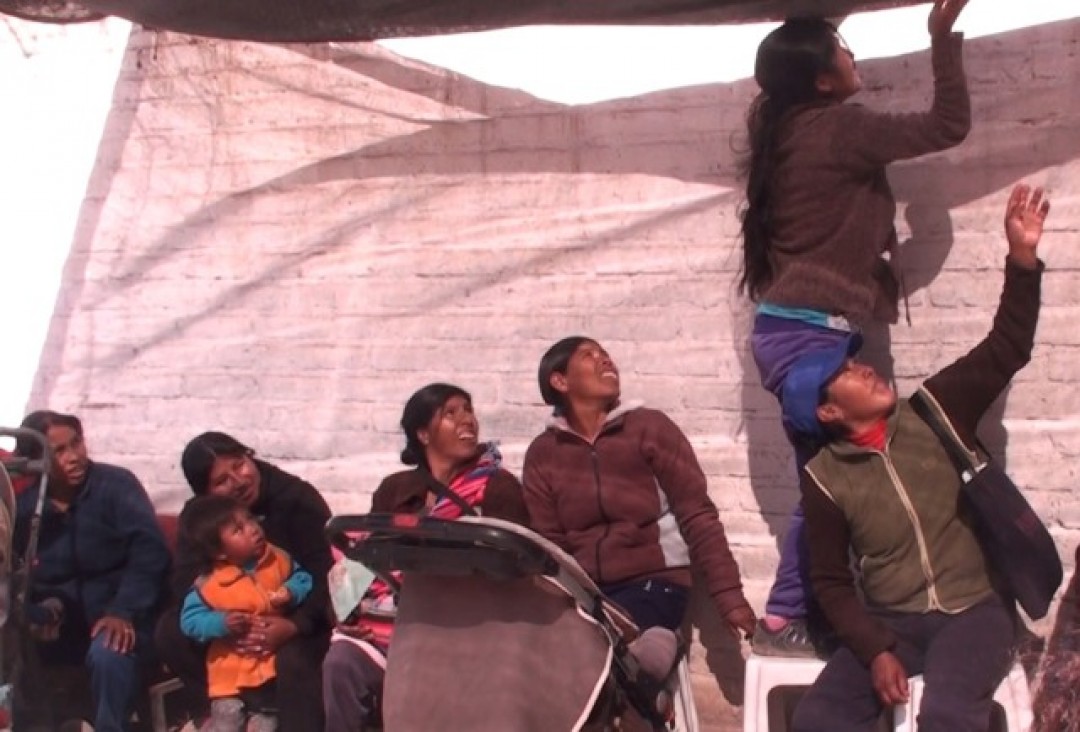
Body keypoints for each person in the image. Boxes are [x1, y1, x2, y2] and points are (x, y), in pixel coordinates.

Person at [737, 0, 972, 655]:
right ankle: (785, 618)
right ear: (820, 81)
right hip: (806, 340)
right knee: (833, 484)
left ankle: (808, 613)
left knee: (832, 482)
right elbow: (949, 124)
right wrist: (941, 35)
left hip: (796, 335)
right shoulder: (840, 128)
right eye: (842, 49)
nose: (852, 58)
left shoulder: (783, 132)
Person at [786, 183, 1050, 731]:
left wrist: (1021, 258)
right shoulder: (826, 479)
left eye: (857, 362)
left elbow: (1008, 347)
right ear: (829, 413)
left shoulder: (935, 408)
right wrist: (876, 648)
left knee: (949, 715)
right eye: (845, 374)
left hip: (975, 611)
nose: (864, 369)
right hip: (894, 622)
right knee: (817, 719)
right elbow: (832, 583)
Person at [322, 382, 529, 732]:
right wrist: (345, 612)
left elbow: (515, 564)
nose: (467, 420)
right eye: (450, 413)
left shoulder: (497, 486)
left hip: (463, 623)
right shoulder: (396, 488)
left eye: (468, 409)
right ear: (422, 433)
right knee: (341, 663)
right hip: (391, 624)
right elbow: (365, 557)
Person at [522, 337, 756, 640]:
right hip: (585, 592)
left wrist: (729, 597)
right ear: (559, 381)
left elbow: (696, 513)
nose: (605, 359)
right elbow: (550, 543)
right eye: (588, 355)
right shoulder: (543, 453)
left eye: (605, 353)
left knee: (605, 644)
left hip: (655, 582)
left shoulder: (649, 428)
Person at [155, 432, 333, 732]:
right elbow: (187, 583)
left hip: (295, 617)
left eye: (240, 465)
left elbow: (325, 574)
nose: (239, 481)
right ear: (206, 493)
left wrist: (293, 625)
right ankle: (218, 712)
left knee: (295, 661)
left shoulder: (297, 499)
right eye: (222, 480)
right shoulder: (201, 520)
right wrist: (223, 624)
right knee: (169, 633)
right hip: (232, 621)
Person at [12, 410, 171, 732]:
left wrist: (122, 610)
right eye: (59, 452)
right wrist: (35, 614)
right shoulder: (28, 509)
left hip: (124, 617)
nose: (74, 457)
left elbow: (149, 553)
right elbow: (20, 576)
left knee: (109, 650)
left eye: (77, 444)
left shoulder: (116, 485)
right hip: (61, 624)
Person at [179, 495, 314, 732]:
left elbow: (303, 578)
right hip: (229, 678)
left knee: (267, 724)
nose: (253, 530)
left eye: (251, 520)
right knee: (228, 723)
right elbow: (190, 620)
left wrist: (291, 591)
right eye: (239, 530)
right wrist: (221, 623)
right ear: (219, 552)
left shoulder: (277, 559)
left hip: (268, 672)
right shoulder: (210, 583)